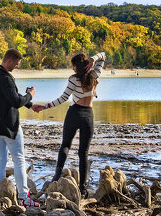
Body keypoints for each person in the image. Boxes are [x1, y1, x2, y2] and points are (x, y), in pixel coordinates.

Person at [33, 52, 106, 195]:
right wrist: (94, 59)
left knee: (65, 144)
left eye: (73, 66)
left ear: (76, 66)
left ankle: (56, 176)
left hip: (74, 113)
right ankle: (83, 188)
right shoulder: (95, 75)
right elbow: (103, 56)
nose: (72, 68)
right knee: (83, 152)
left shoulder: (73, 79)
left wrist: (45, 106)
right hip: (88, 116)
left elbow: (63, 98)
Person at [0, 48, 39, 207]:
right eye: (16, 64)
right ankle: (23, 196)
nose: (16, 66)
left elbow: (8, 97)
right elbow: (16, 101)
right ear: (9, 60)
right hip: (9, 125)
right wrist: (30, 95)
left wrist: (30, 105)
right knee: (19, 160)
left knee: (1, 160)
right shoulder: (5, 78)